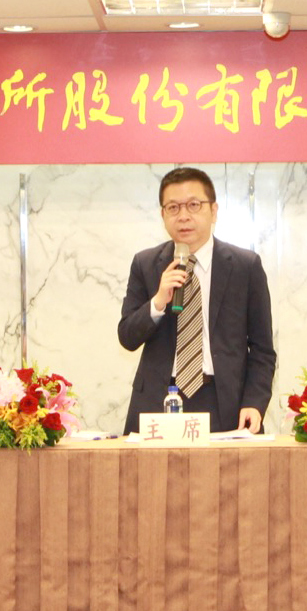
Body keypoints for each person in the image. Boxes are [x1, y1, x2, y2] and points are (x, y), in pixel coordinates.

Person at [118, 166, 276, 434]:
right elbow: (127, 337)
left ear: (213, 211)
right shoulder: (146, 264)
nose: (183, 216)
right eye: (173, 207)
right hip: (159, 399)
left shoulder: (245, 266)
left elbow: (262, 349)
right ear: (163, 215)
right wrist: (157, 302)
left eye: (193, 205)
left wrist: (254, 402)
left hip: (224, 402)